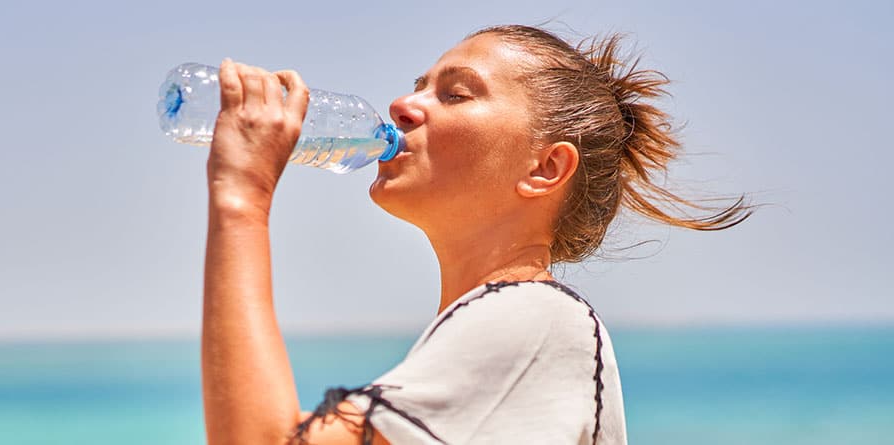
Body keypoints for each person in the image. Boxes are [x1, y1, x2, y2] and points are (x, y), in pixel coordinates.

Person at [199, 25, 752, 445]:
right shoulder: (499, 326)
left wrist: (241, 198)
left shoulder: (535, 321)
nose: (402, 105)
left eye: (455, 94)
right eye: (418, 87)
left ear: (545, 169)